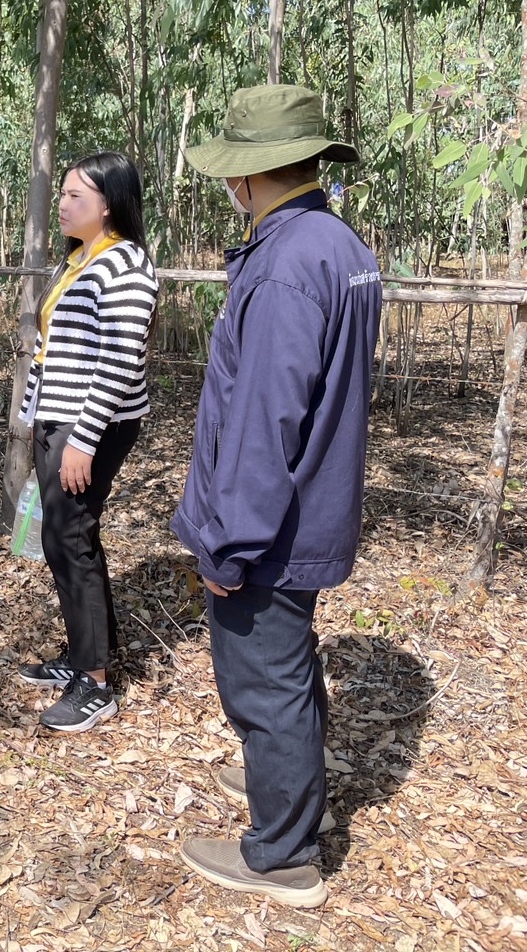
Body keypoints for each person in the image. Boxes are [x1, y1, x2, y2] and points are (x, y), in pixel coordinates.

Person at [171, 84, 381, 908]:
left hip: (273, 522)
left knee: (263, 676)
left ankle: (281, 854)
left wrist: (230, 540)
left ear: (251, 176)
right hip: (312, 502)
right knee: (286, 664)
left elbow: (265, 416)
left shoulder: (287, 264)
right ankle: (280, 773)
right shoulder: (338, 245)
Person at [13, 152, 159, 732]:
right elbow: (55, 353)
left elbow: (120, 360)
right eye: (64, 194)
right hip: (61, 420)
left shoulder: (125, 265)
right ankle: (83, 654)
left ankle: (95, 683)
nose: (64, 204)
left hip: (89, 424)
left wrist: (84, 438)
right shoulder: (77, 260)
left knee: (70, 538)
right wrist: (36, 420)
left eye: (77, 195)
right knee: (62, 535)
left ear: (109, 204)